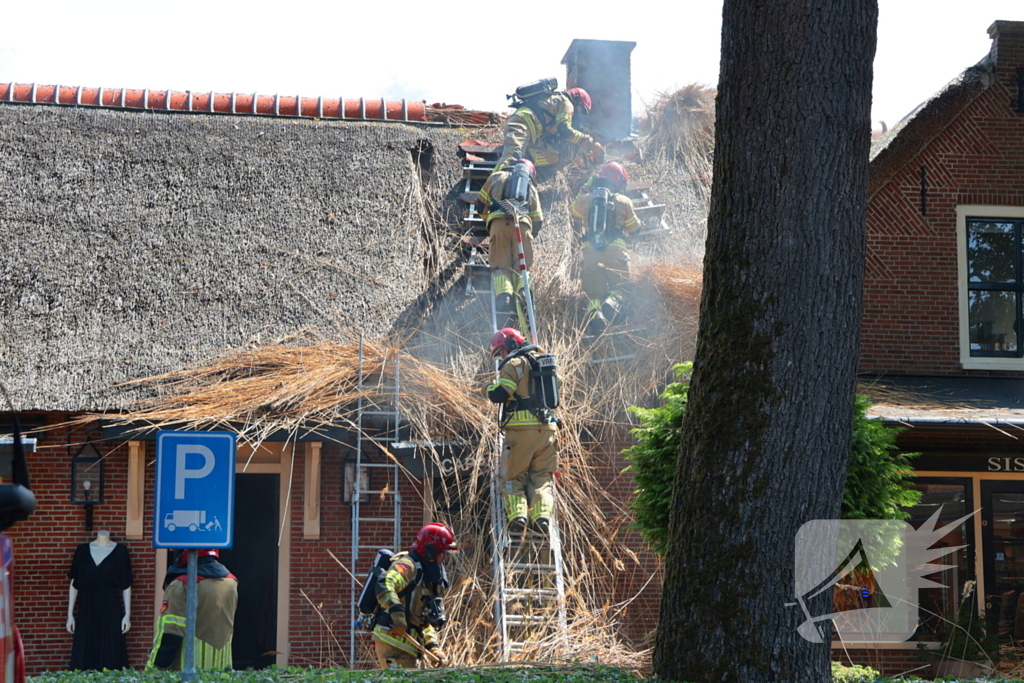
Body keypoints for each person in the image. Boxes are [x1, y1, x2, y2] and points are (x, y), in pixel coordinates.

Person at [484, 328, 559, 533]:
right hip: (548, 431)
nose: (501, 356)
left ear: (510, 345)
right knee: (542, 478)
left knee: (512, 477)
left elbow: (500, 394)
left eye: (501, 352)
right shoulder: (545, 362)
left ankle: (518, 517)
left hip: (520, 432)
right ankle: (541, 518)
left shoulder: (515, 363)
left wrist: (488, 387)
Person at [372, 523, 458, 669]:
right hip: (392, 642)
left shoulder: (427, 577)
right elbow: (385, 583)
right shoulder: (408, 566)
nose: (444, 557)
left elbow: (423, 620)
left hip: (409, 647)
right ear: (430, 551)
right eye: (442, 552)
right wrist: (396, 614)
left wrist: (433, 648)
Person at [569, 162, 640, 334]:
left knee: (593, 295)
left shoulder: (587, 199)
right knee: (622, 288)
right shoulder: (623, 200)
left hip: (591, 253)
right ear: (617, 180)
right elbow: (634, 229)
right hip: (615, 251)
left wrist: (586, 188)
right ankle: (611, 303)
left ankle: (597, 315)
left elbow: (573, 209)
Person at [475, 158, 543, 329]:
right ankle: (524, 294)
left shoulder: (496, 177)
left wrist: (490, 222)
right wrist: (528, 234)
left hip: (499, 225)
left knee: (501, 267)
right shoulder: (530, 186)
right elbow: (538, 220)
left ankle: (504, 296)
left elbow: (480, 205)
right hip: (523, 226)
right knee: (523, 268)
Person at [147, 549, 238, 671]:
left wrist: (154, 668)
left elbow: (171, 632)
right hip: (221, 669)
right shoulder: (231, 583)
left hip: (188, 669)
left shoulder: (181, 584)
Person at [495, 87, 603, 173]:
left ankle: (528, 157)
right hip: (522, 123)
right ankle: (494, 186)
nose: (578, 113)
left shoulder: (557, 100)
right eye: (580, 108)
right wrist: (589, 142)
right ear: (576, 99)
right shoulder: (567, 103)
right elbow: (564, 129)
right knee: (511, 158)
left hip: (531, 132)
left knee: (553, 157)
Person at [67, 530, 133, 670]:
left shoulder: (121, 551)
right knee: (86, 644)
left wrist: (127, 615)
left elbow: (126, 585)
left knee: (110, 645)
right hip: (86, 605)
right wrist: (70, 615)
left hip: (110, 605)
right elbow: (74, 583)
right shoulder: (82, 551)